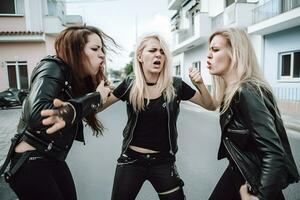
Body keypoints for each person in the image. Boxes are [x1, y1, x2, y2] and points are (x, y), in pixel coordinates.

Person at [41, 33, 216, 200]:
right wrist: (91, 96)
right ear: (140, 56)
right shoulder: (130, 84)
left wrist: (200, 84)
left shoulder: (176, 85)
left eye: (162, 52)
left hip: (164, 162)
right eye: (152, 50)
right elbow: (96, 108)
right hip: (131, 161)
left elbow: (210, 105)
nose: (158, 55)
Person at [0, 25, 115, 200]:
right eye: (95, 48)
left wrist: (122, 90)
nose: (102, 54)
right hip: (31, 160)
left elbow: (80, 109)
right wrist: (95, 97)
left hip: (53, 158)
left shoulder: (74, 79)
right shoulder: (52, 67)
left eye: (102, 50)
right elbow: (37, 116)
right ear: (76, 51)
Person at [206, 27, 299, 200]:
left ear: (235, 53)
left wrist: (261, 196)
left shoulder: (247, 92)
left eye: (216, 49)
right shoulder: (232, 92)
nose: (209, 55)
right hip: (238, 171)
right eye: (209, 50)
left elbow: (273, 152)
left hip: (256, 182)